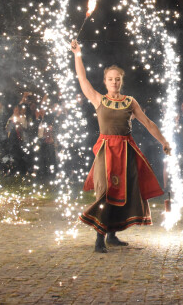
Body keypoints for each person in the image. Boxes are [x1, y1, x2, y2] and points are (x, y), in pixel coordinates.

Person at [70, 40, 170, 253]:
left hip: (126, 153)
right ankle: (99, 238)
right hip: (106, 151)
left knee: (122, 193)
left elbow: (148, 123)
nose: (114, 82)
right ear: (105, 81)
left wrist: (164, 142)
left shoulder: (130, 102)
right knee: (104, 192)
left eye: (117, 79)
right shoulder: (98, 99)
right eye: (110, 79)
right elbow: (82, 78)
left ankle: (112, 236)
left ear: (121, 81)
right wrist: (78, 54)